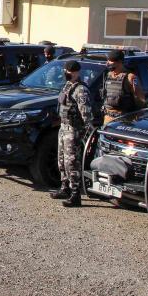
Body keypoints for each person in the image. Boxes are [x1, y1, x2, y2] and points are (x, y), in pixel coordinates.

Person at [51, 61, 94, 207]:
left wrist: (86, 133)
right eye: (65, 70)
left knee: (72, 162)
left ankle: (76, 194)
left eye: (69, 71)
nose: (66, 73)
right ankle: (65, 188)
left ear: (76, 72)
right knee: (61, 160)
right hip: (63, 127)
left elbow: (86, 115)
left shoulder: (81, 90)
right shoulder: (68, 86)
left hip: (74, 130)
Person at [101, 50, 146, 124]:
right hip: (108, 118)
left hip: (123, 119)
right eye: (108, 60)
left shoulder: (130, 77)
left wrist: (136, 116)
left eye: (111, 61)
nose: (107, 63)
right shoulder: (108, 75)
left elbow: (140, 100)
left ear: (119, 62)